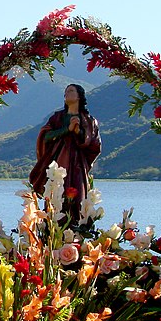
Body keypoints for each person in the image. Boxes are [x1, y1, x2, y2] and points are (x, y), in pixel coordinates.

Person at [29, 83, 101, 222]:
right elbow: (46, 136)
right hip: (58, 161)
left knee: (77, 195)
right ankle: (53, 227)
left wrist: (78, 132)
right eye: (66, 91)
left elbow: (94, 145)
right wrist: (67, 129)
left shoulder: (89, 121)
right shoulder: (57, 118)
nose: (67, 93)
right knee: (56, 192)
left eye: (71, 90)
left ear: (80, 96)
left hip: (78, 165)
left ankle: (75, 227)